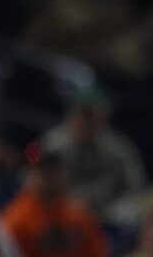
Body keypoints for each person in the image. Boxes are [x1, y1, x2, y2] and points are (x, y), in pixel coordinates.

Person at [1, 150, 111, 257]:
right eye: (42, 172)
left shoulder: (79, 213)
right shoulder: (15, 217)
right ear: (30, 176)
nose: (48, 177)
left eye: (53, 171)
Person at [39, 83, 146, 219]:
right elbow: (32, 171)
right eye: (81, 115)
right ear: (70, 115)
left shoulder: (120, 149)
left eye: (91, 117)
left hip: (105, 213)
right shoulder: (52, 143)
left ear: (103, 118)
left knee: (129, 210)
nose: (85, 122)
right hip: (59, 210)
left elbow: (135, 187)